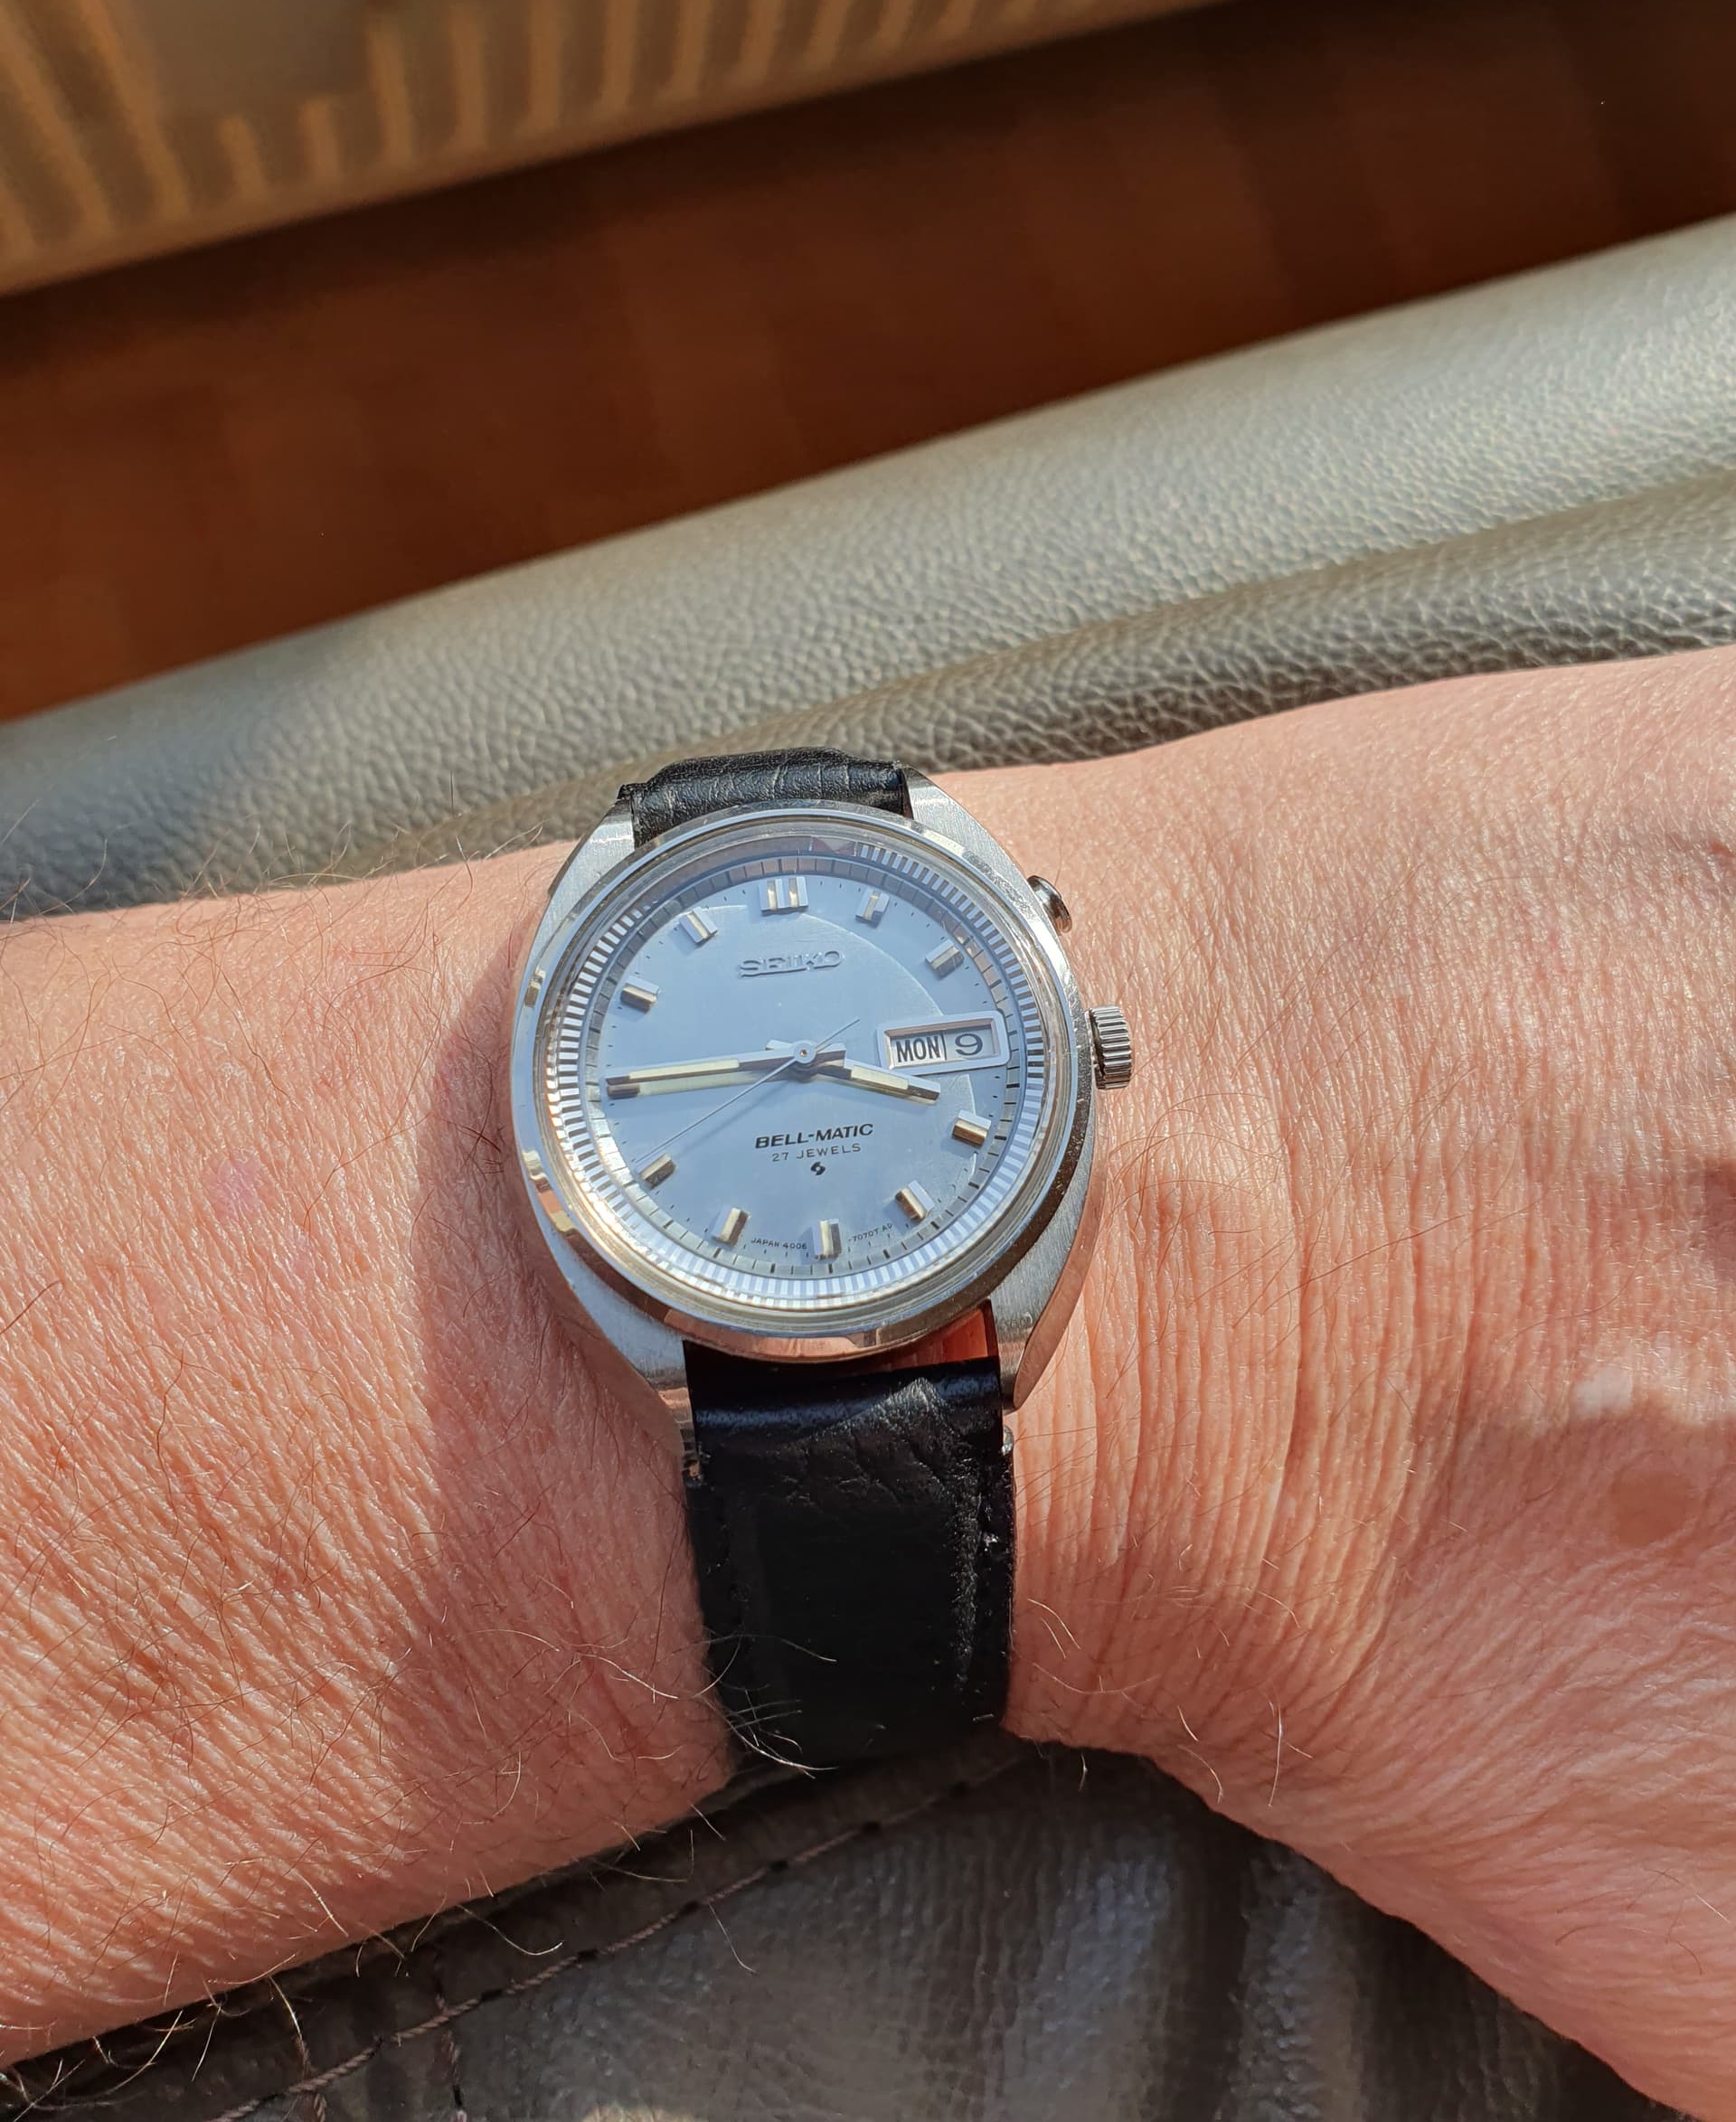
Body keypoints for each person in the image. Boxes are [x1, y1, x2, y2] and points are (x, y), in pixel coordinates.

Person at [3, 643, 1733, 2118]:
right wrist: (1231, 1354)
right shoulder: (587, 1181)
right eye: (775, 1058)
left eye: (836, 1051)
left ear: (1085, 1047)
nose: (811, 1069)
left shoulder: (951, 1055)